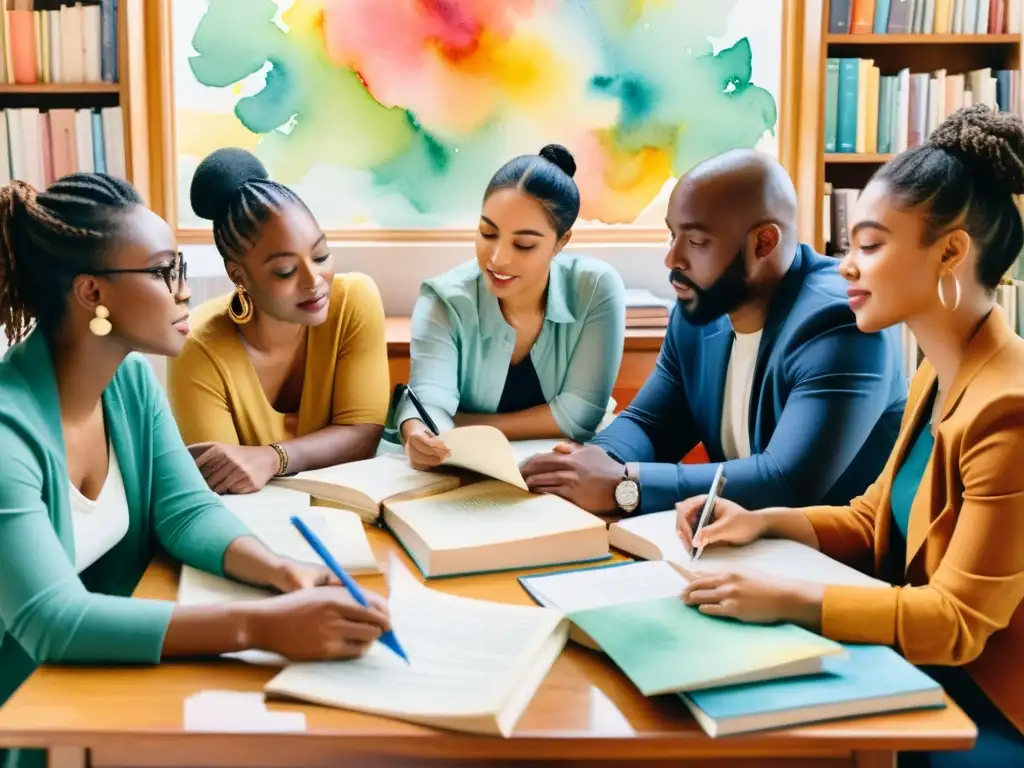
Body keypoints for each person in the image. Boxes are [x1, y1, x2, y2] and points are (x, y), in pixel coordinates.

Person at [0, 175, 391, 768]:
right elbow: (52, 622)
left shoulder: (128, 380)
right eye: (163, 272)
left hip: (108, 686)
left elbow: (184, 511)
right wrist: (261, 627)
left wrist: (283, 571)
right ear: (91, 294)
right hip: (31, 705)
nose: (185, 292)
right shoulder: (8, 434)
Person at [676, 106, 1024, 765]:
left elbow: (956, 625)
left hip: (983, 708)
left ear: (950, 252)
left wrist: (792, 601)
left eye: (870, 245)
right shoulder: (937, 374)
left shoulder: (1009, 412)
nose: (846, 268)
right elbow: (875, 520)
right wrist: (764, 523)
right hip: (917, 670)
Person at [520, 148, 907, 515]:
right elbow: (651, 424)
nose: (673, 258)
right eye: (673, 235)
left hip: (842, 567)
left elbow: (786, 483)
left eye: (697, 241)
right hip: (740, 548)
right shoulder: (700, 310)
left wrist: (625, 484)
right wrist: (586, 464)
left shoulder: (843, 321)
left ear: (764, 243)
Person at [167, 148, 390, 494]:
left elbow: (363, 435)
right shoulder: (198, 346)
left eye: (321, 255)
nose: (314, 280)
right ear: (238, 275)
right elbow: (223, 478)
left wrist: (273, 458)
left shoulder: (354, 301)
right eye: (285, 271)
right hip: (257, 527)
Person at [394, 144, 626, 469]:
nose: (498, 258)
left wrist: (462, 426)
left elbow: (580, 416)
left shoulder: (596, 288)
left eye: (524, 244)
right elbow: (429, 401)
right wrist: (418, 431)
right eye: (488, 233)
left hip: (570, 470)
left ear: (561, 242)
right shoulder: (443, 299)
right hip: (464, 471)